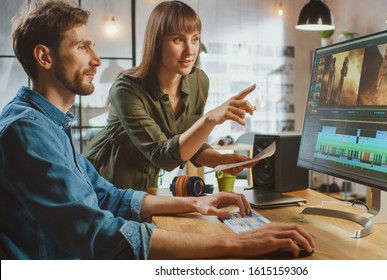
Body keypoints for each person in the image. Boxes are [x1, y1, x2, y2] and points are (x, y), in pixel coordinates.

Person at [0, 0, 315, 260]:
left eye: (93, 46)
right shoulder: (27, 130)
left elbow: (107, 195)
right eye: (83, 48)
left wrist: (196, 202)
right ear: (44, 56)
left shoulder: (51, 124)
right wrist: (240, 244)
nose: (96, 60)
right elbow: (96, 232)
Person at [83, 1, 256, 191]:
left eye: (195, 39)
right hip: (101, 183)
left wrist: (220, 160)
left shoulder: (198, 81)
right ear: (156, 42)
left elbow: (188, 142)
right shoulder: (126, 89)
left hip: (147, 187)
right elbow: (163, 156)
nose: (190, 50)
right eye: (178, 40)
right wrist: (210, 120)